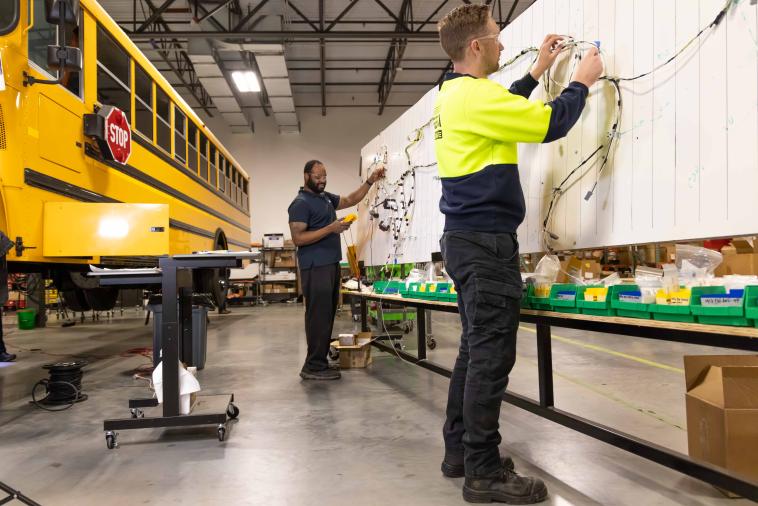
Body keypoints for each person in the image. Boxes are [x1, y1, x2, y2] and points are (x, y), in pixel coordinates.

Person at [433, 5, 603, 504]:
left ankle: (460, 453)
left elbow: (502, 109)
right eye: (497, 37)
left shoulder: (453, 95)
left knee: (473, 351)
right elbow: (549, 124)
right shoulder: (474, 96)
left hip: (466, 239)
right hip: (485, 243)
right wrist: (581, 81)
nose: (504, 45)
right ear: (476, 47)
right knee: (490, 357)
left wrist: (534, 74)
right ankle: (483, 472)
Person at [288, 160, 386, 380]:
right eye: (317, 177)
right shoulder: (300, 203)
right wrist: (331, 228)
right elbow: (298, 238)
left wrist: (371, 180)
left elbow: (351, 199)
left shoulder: (324, 198)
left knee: (327, 315)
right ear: (306, 176)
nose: (322, 181)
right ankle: (312, 366)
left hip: (330, 264)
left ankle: (319, 362)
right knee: (318, 316)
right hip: (315, 267)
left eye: (324, 177)